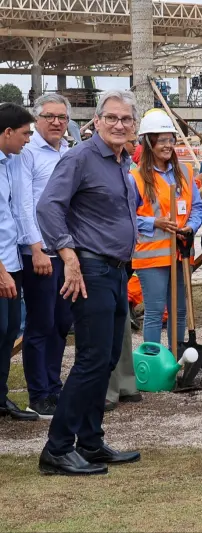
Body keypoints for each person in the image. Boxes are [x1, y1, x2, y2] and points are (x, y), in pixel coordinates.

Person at [36, 90, 142, 475]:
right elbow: (48, 206)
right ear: (96, 121)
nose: (118, 125)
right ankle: (58, 447)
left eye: (126, 120)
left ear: (134, 126)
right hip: (90, 271)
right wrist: (67, 255)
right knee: (92, 359)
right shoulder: (80, 158)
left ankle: (91, 441)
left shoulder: (122, 161)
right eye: (111, 118)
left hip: (116, 271)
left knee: (108, 358)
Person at [11, 94, 74, 419]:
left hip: (65, 250)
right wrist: (35, 247)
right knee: (40, 324)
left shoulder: (68, 151)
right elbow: (23, 203)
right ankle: (39, 394)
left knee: (62, 322)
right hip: (39, 252)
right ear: (38, 119)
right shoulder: (28, 153)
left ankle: (53, 386)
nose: (56, 122)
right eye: (49, 116)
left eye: (61, 117)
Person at [129, 110, 202, 347]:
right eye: (162, 140)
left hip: (180, 253)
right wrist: (155, 222)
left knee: (180, 311)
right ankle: (152, 361)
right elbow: (126, 217)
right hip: (152, 257)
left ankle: (177, 356)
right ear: (149, 142)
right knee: (154, 312)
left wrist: (191, 227)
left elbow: (198, 208)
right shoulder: (136, 177)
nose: (167, 145)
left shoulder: (184, 172)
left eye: (170, 139)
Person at [0, 103, 37, 422]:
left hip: (12, 261)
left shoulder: (11, 161)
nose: (29, 139)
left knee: (9, 329)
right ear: (8, 132)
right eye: (25, 133)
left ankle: (1, 397)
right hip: (1, 266)